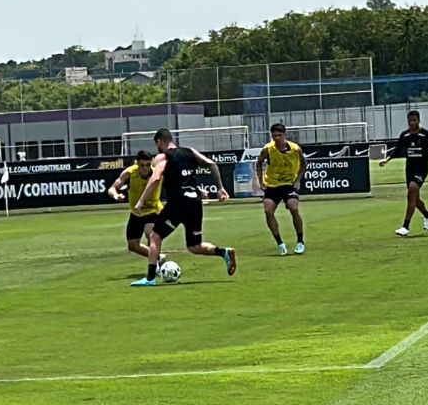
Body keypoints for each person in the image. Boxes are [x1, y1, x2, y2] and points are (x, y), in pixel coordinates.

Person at [130, 128, 236, 286]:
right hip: (195, 202)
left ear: (159, 142)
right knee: (194, 245)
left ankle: (150, 278)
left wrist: (141, 201)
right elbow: (212, 164)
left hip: (178, 203)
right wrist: (220, 187)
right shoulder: (190, 152)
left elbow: (156, 177)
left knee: (155, 236)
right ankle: (223, 252)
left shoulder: (163, 156)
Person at [378, 110, 428, 237]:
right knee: (415, 198)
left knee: (412, 190)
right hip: (410, 168)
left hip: (422, 168)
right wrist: (387, 160)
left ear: (418, 120)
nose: (412, 123)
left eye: (414, 120)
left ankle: (405, 226)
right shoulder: (405, 135)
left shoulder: (426, 134)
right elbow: (397, 150)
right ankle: (427, 215)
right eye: (410, 121)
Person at [255, 123, 306, 255]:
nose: (277, 138)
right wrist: (261, 181)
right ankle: (280, 243)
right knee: (268, 210)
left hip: (289, 184)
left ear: (285, 135)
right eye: (274, 136)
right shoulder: (268, 149)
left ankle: (300, 241)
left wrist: (298, 180)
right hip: (272, 185)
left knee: (294, 208)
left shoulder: (295, 149)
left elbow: (304, 164)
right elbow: (259, 163)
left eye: (279, 135)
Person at [108, 150, 164, 260]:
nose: (145, 168)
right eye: (142, 165)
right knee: (133, 245)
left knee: (151, 235)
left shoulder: (157, 174)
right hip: (136, 212)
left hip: (153, 211)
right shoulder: (129, 173)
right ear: (137, 163)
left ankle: (154, 267)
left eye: (148, 165)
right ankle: (159, 258)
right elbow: (112, 188)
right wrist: (116, 196)